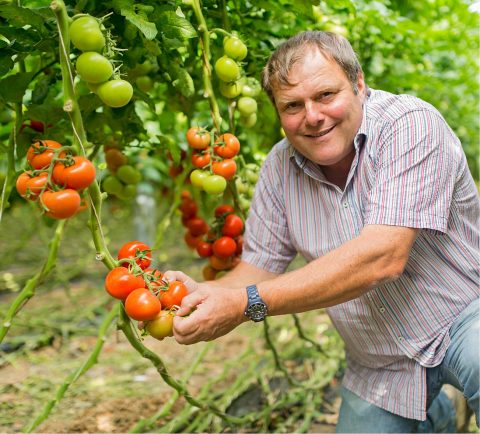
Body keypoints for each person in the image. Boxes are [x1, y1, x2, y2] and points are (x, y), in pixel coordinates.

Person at [163, 31, 480, 432]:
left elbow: (383, 257)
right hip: (379, 361)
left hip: (464, 319)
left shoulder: (409, 126)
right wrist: (202, 296)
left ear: (359, 84)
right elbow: (259, 265)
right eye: (292, 105)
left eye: (326, 95)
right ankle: (438, 414)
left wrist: (245, 304)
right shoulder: (279, 169)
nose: (312, 116)